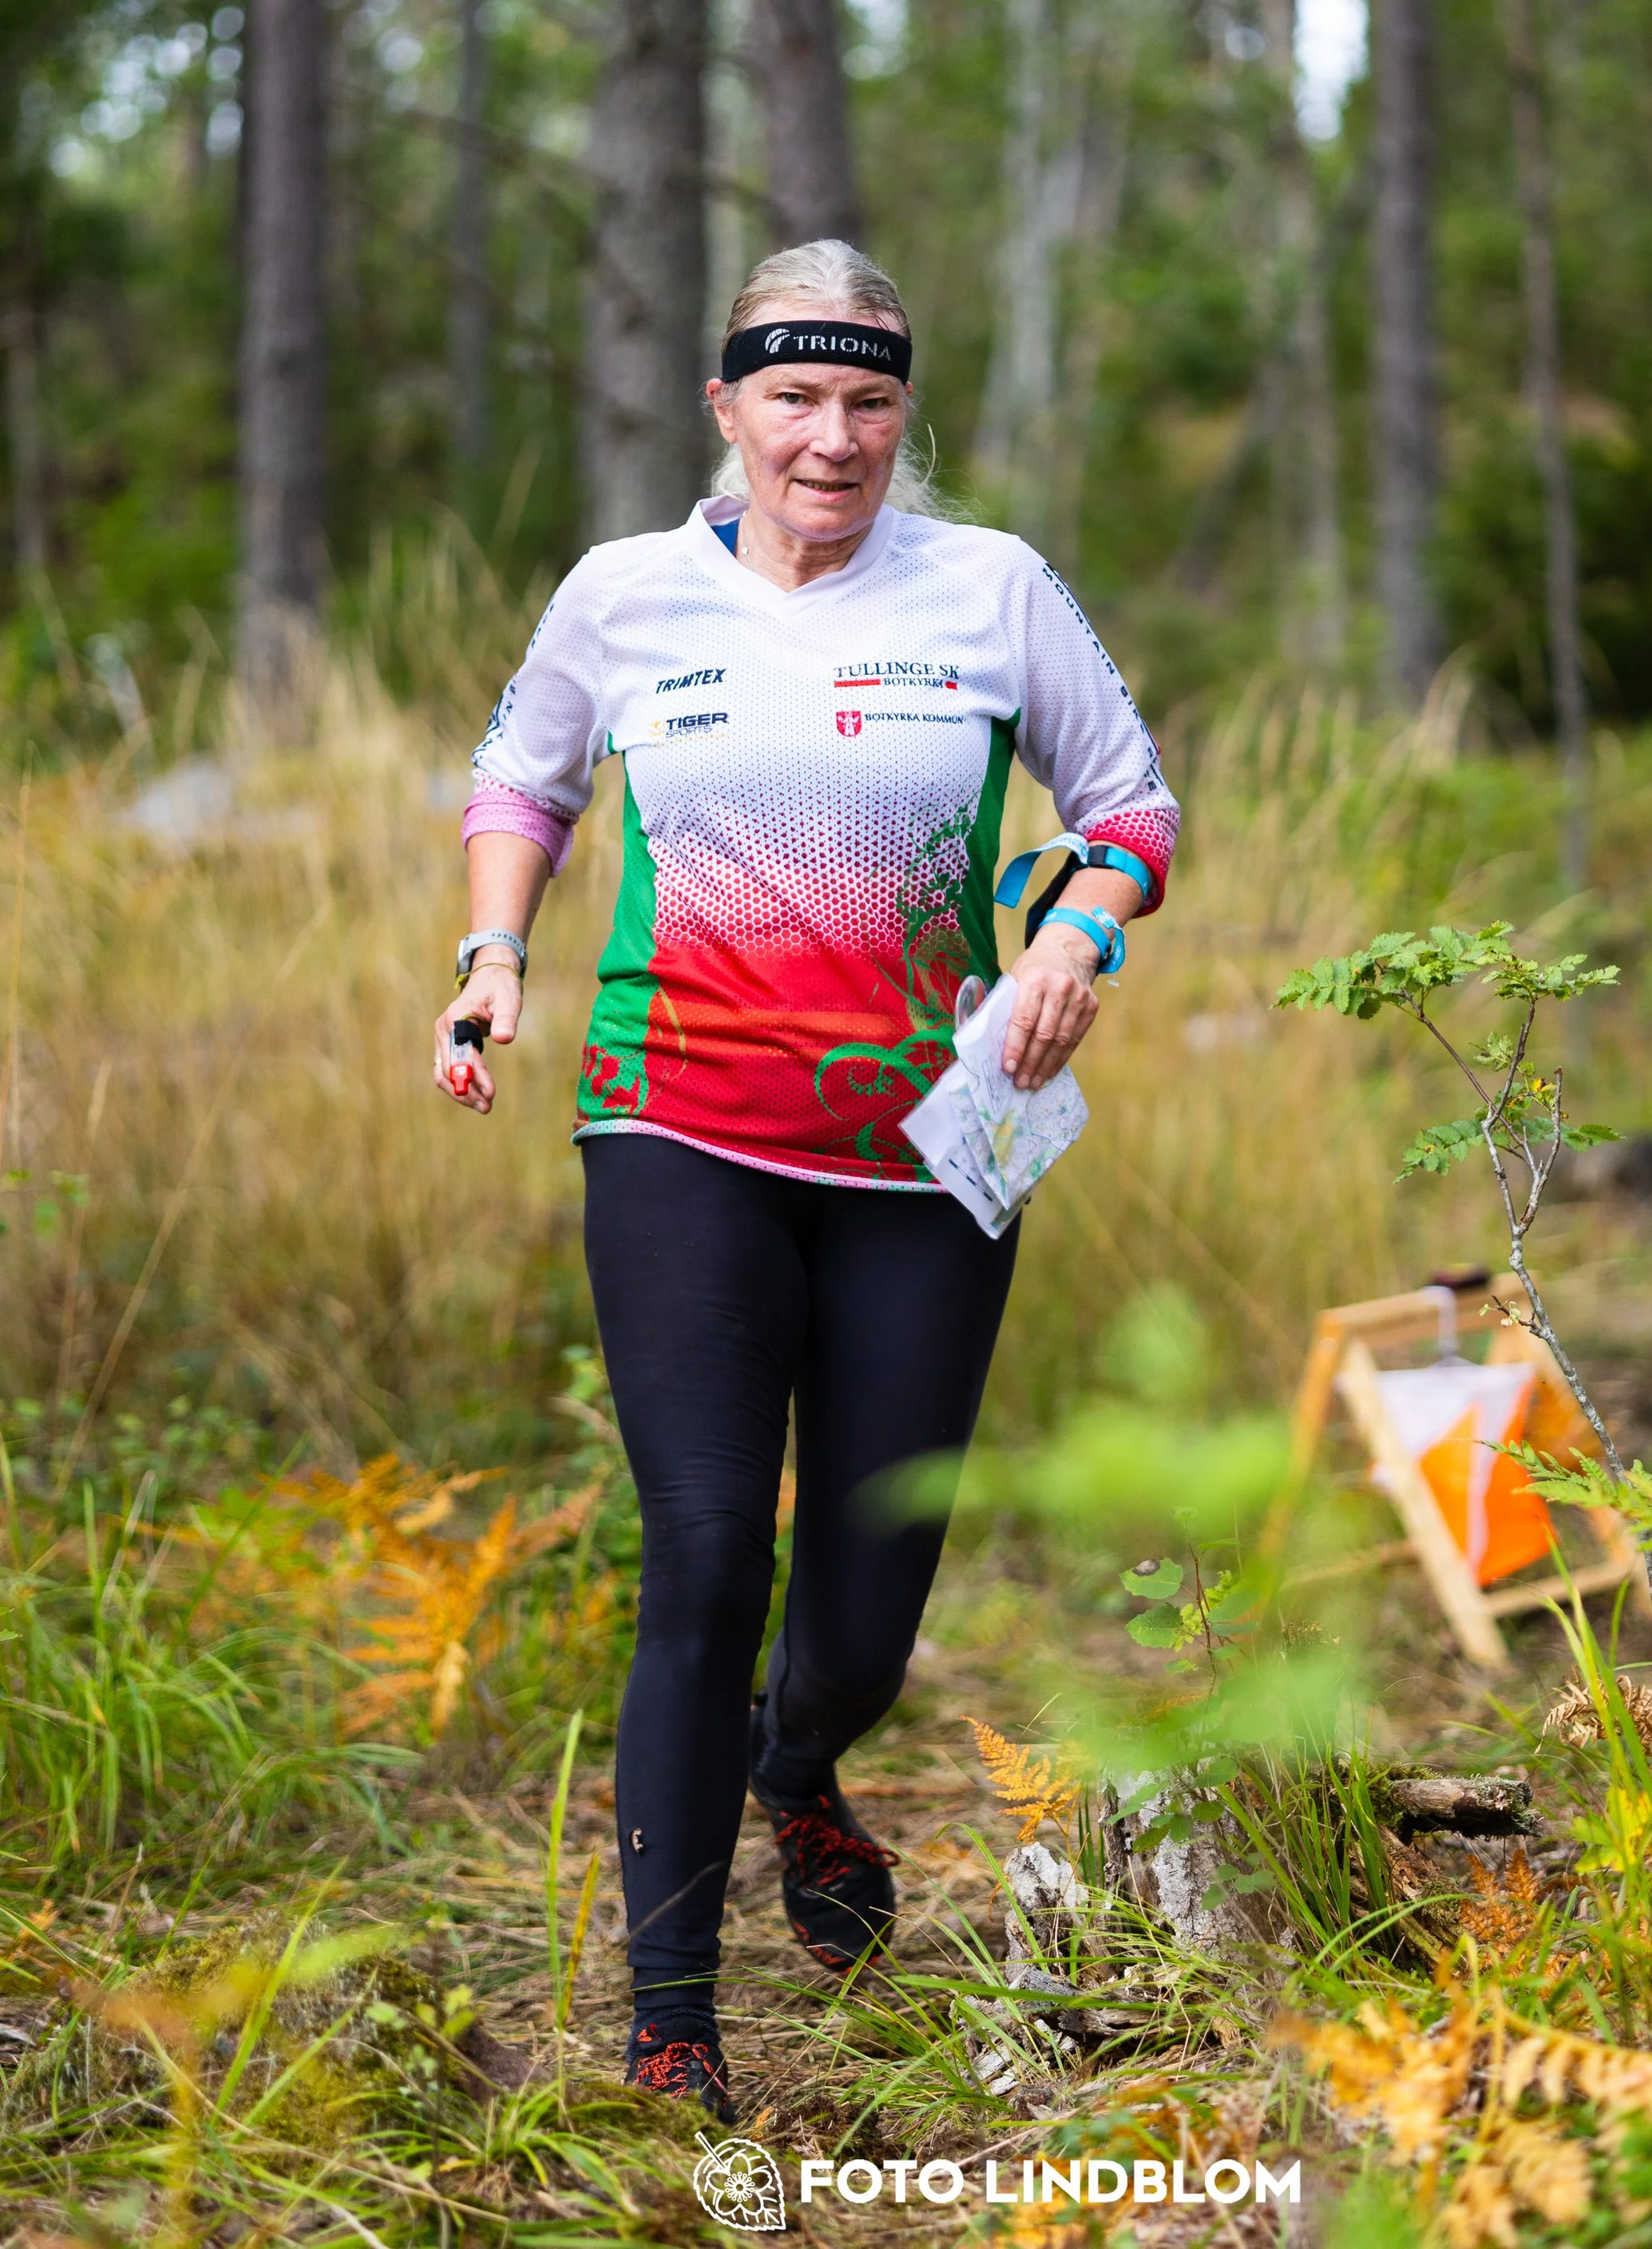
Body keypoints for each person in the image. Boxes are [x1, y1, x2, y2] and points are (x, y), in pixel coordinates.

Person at [434, 240, 1178, 2117]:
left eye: (865, 402)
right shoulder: (621, 596)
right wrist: (494, 955)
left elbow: (1131, 803)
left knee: (862, 1605)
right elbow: (520, 782)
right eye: (792, 397)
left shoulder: (990, 586)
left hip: (931, 1140)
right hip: (671, 1115)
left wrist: (1079, 935)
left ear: (900, 412)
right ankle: (670, 2020)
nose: (829, 439)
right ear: (726, 406)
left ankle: (800, 1767)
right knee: (699, 1548)